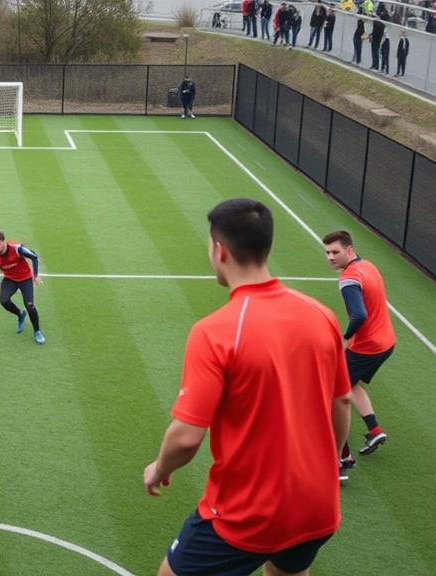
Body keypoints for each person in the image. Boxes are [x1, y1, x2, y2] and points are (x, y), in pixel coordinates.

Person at [143, 198, 351, 576]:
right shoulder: (321, 314)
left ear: (219, 250)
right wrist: (325, 466)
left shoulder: (214, 331)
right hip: (317, 505)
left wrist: (159, 468)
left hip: (247, 514)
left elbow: (187, 438)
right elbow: (343, 402)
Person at [322, 230, 394, 476]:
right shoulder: (368, 266)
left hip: (368, 346)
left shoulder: (349, 279)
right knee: (351, 384)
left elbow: (360, 314)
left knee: (332, 394)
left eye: (335, 252)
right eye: (327, 252)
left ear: (349, 250)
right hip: (386, 343)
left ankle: (341, 459)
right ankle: (374, 431)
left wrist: (344, 339)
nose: (330, 257)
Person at [0, 230, 45, 345]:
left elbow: (34, 257)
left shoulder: (17, 249)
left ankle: (37, 331)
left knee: (30, 305)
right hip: (10, 279)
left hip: (25, 278)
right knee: (4, 301)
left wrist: (36, 275)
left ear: (3, 242)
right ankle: (20, 314)